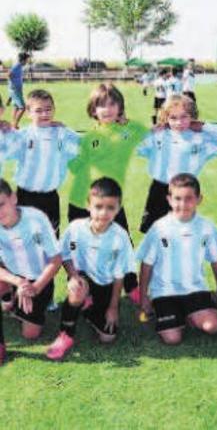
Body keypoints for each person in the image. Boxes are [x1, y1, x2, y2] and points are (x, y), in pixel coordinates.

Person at [67, 83, 149, 304]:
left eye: (112, 104)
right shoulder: (87, 137)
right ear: (93, 110)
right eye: (101, 105)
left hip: (112, 203)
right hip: (80, 200)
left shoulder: (130, 131)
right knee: (80, 246)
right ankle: (81, 290)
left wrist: (127, 122)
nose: (108, 109)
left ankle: (132, 287)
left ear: (120, 106)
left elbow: (151, 131)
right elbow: (74, 167)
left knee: (124, 244)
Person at [46, 178, 133, 360]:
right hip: (83, 277)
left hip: (106, 286)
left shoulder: (120, 236)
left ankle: (88, 308)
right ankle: (66, 334)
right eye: (99, 206)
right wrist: (73, 275)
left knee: (108, 337)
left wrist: (113, 307)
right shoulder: (76, 228)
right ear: (88, 205)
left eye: (110, 208)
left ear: (118, 208)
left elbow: (119, 276)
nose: (103, 213)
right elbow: (65, 255)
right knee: (77, 288)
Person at [136, 173, 217, 345]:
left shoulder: (207, 227)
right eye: (177, 198)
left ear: (199, 199)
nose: (183, 204)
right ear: (169, 199)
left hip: (195, 289)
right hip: (165, 292)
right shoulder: (159, 228)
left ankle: (189, 315)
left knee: (213, 326)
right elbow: (146, 265)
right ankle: (170, 313)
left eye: (189, 198)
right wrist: (144, 299)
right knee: (172, 339)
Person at [136, 95, 217, 234]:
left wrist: (204, 126)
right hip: (159, 188)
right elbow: (135, 143)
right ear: (166, 118)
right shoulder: (159, 136)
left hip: (186, 190)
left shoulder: (199, 138)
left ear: (192, 117)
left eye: (184, 117)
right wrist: (152, 130)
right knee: (153, 231)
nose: (179, 122)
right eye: (173, 118)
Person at [0, 178, 63, 364]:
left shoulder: (36, 219)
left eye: (1, 204)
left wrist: (35, 287)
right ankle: (9, 295)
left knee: (30, 334)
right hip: (13, 275)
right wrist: (18, 282)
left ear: (14, 198)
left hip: (38, 278)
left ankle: (16, 302)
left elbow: (56, 259)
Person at [2, 90, 80, 236]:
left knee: (50, 238)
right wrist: (3, 127)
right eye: (39, 111)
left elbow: (86, 144)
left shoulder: (62, 134)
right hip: (25, 197)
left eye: (48, 109)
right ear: (28, 113)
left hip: (50, 197)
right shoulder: (23, 136)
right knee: (23, 237)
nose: (44, 114)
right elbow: (4, 147)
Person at [8, 52, 30, 129]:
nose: (27, 61)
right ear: (23, 60)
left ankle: (12, 123)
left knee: (16, 106)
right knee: (23, 108)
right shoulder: (17, 66)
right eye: (27, 60)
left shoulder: (19, 66)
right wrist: (13, 86)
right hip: (15, 89)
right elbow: (9, 74)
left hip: (15, 89)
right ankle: (15, 125)